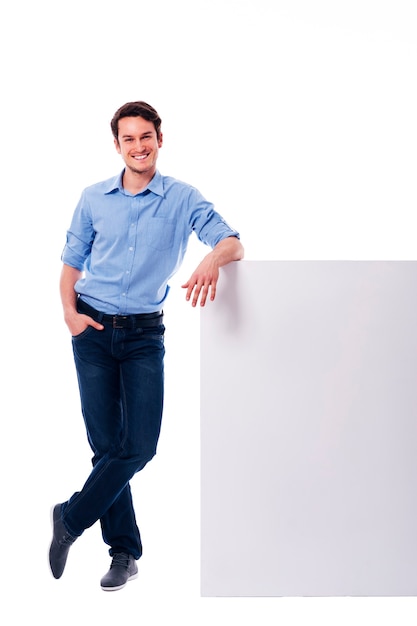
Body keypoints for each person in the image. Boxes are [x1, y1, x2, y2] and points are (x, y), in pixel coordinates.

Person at [49, 100, 244, 591]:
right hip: (91, 328)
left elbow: (232, 241)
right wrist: (71, 315)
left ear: (160, 139)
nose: (138, 146)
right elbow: (72, 264)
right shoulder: (94, 197)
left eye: (146, 137)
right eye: (128, 139)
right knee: (107, 447)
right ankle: (123, 553)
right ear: (117, 145)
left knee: (139, 446)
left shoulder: (181, 198)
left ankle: (69, 518)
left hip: (142, 335)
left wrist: (210, 261)